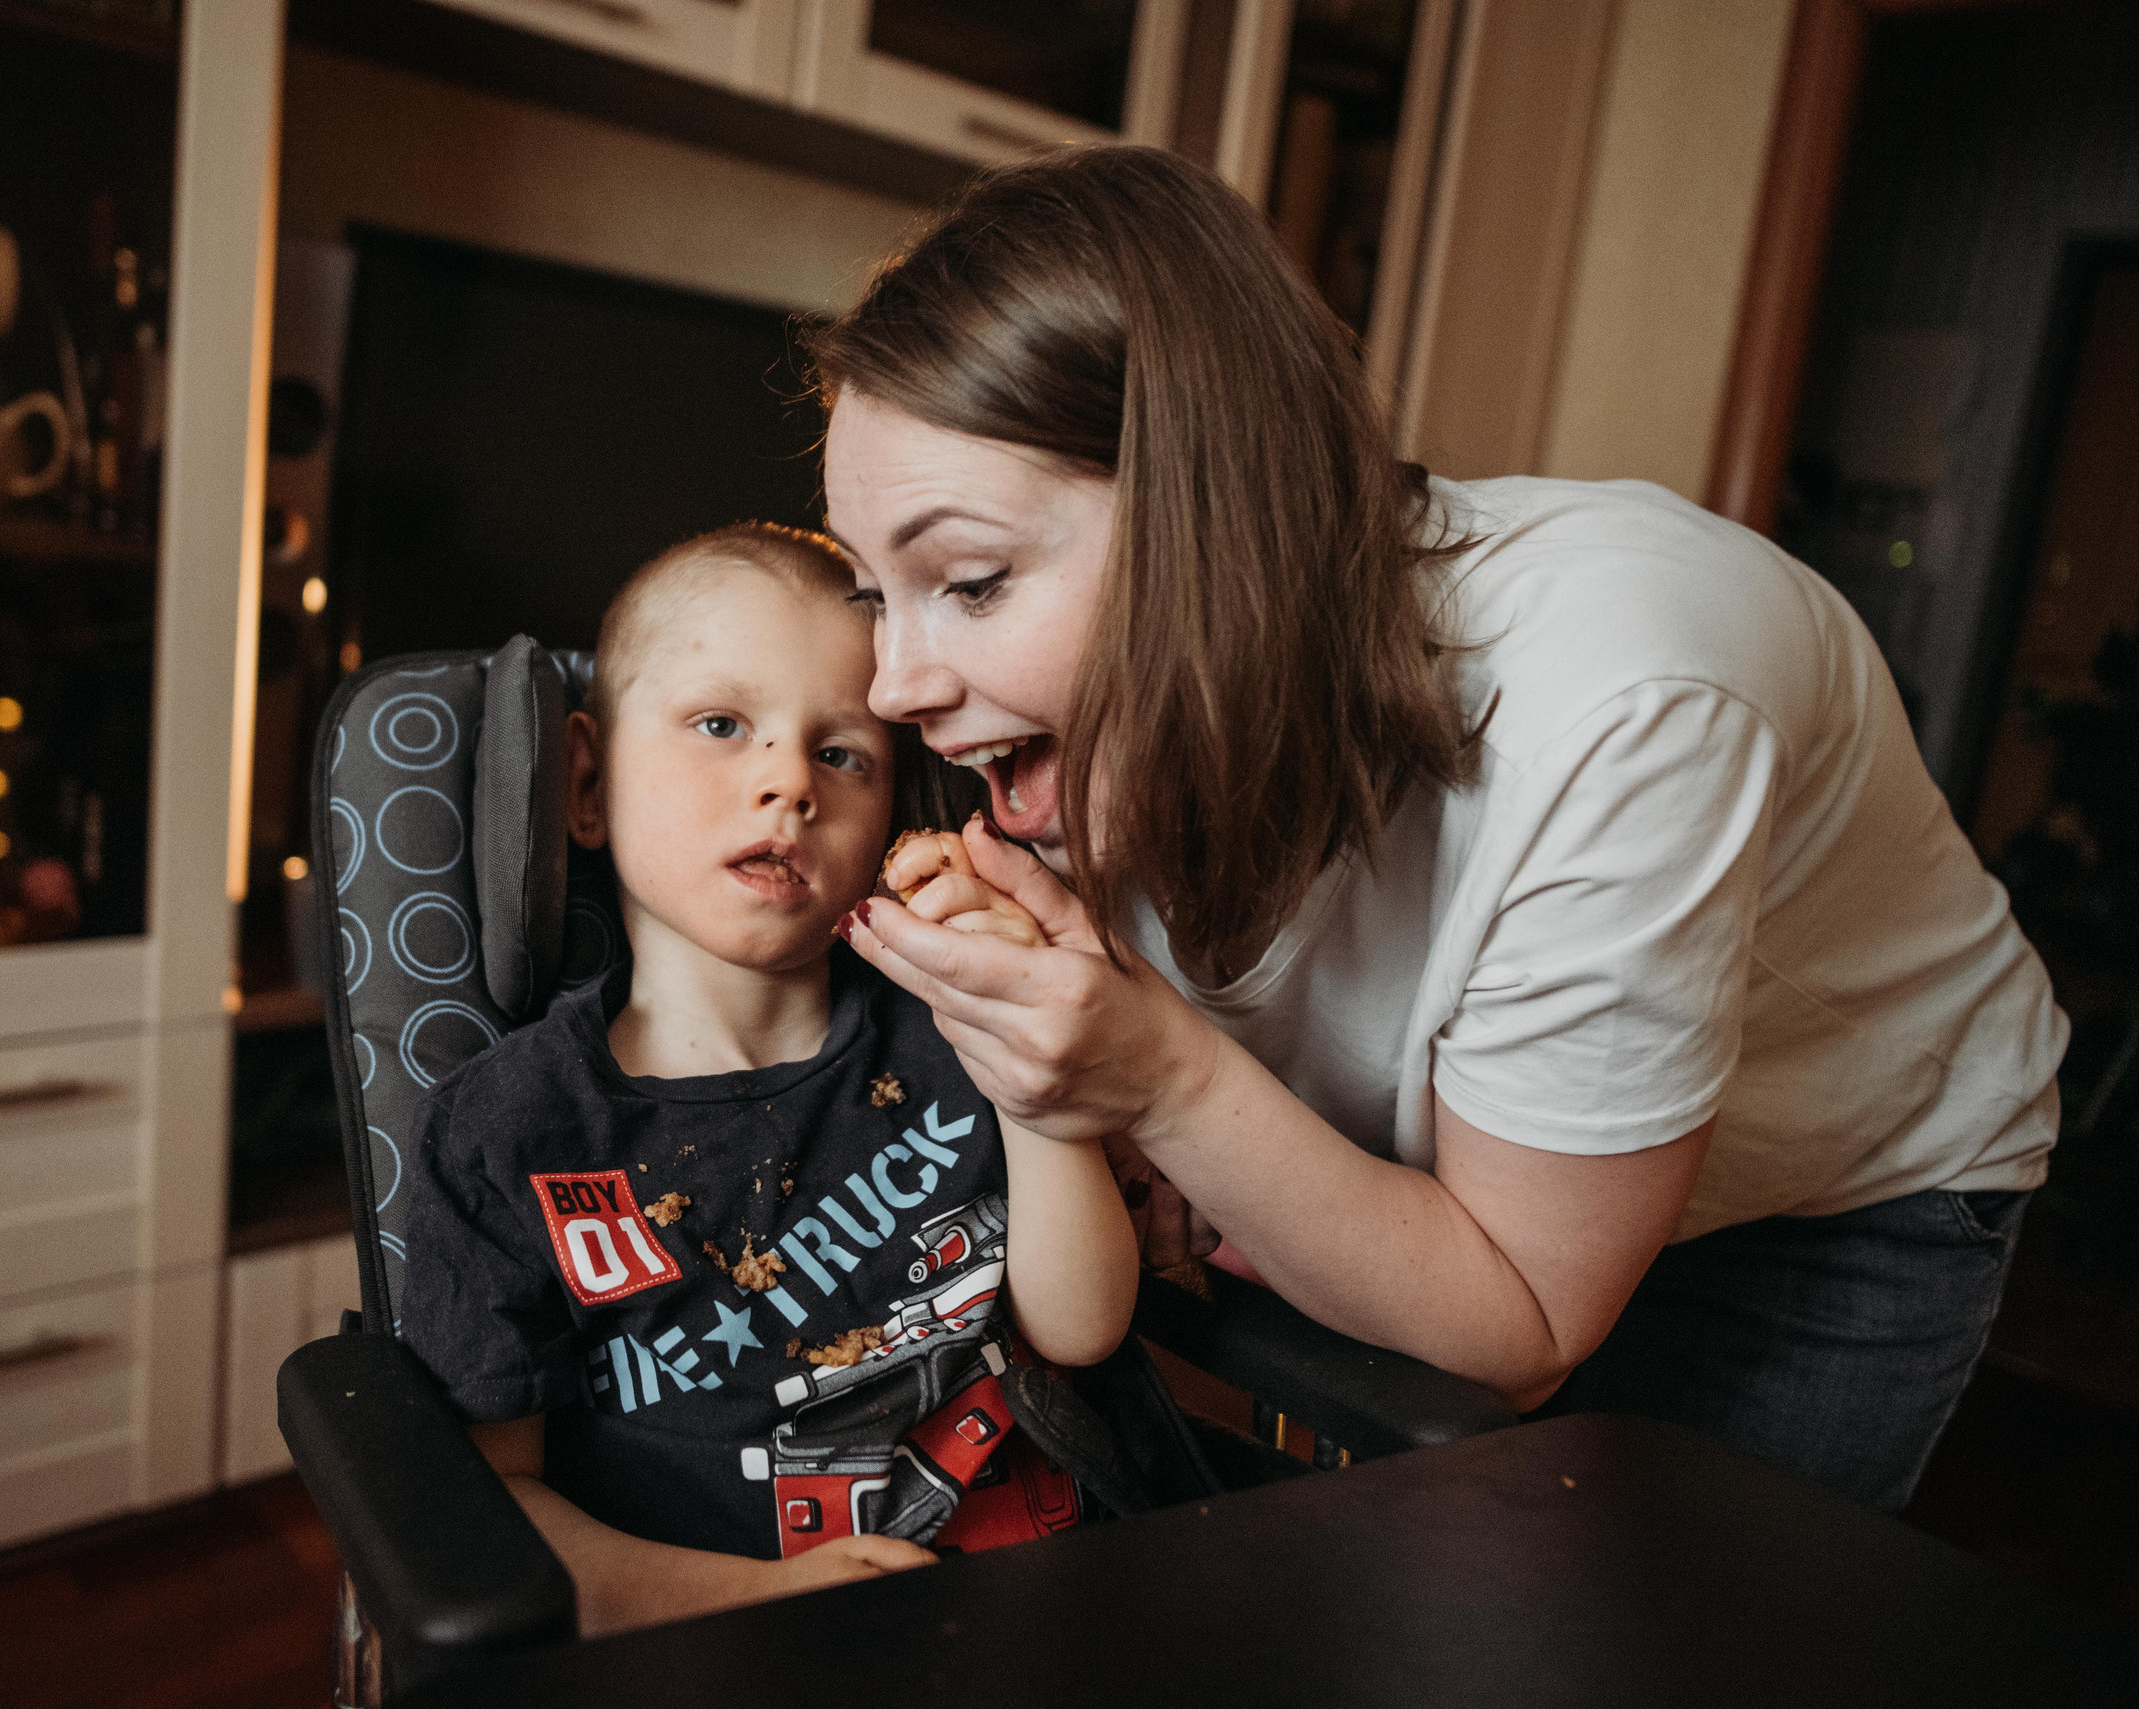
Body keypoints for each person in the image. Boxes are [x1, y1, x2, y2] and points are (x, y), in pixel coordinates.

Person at [817, 146, 2070, 1512]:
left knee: (1671, 1602)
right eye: (874, 592)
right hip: (1465, 1173)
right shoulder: (1099, 722)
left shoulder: (1625, 705)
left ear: (1215, 512)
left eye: (972, 580)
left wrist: (1166, 1082)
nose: (894, 686)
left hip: (1823, 1198)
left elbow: (1519, 1316)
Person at [397, 523, 1138, 1637]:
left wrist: (1016, 1032)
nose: (789, 780)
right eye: (720, 725)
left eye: (842, 754)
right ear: (587, 782)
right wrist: (762, 1597)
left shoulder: (947, 1027)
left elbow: (1080, 1328)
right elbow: (492, 1511)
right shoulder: (510, 1133)